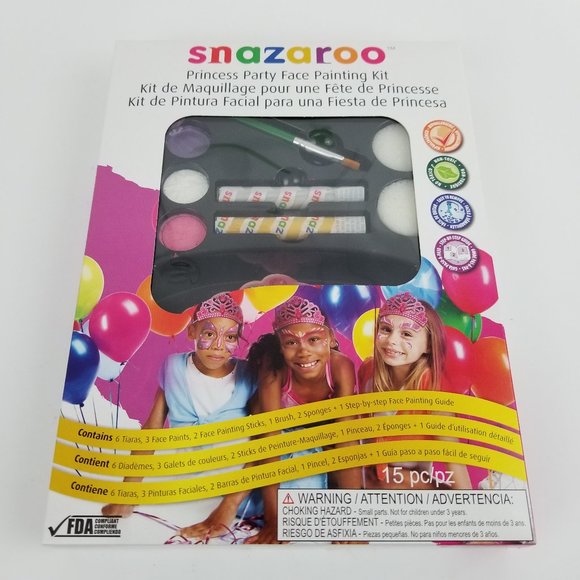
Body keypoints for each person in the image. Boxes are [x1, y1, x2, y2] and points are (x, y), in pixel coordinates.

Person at [102, 292, 257, 536]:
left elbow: (264, 440)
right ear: (192, 331)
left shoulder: (248, 375)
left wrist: (232, 502)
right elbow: (151, 431)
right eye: (209, 334)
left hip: (234, 490)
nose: (218, 345)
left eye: (230, 337)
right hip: (186, 485)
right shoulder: (173, 367)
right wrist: (127, 492)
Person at [240, 295, 361, 544]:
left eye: (314, 339)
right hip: (284, 446)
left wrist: (352, 517)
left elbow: (346, 441)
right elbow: (269, 439)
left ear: (330, 339)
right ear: (280, 345)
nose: (303, 351)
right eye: (291, 342)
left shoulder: (340, 367)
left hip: (325, 446)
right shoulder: (273, 368)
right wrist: (274, 520)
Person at [358, 291, 472, 490]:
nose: (391, 340)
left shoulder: (431, 390)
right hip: (373, 482)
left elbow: (454, 461)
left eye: (407, 334)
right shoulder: (368, 372)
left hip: (412, 488)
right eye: (386, 329)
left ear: (429, 345)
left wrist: (470, 506)